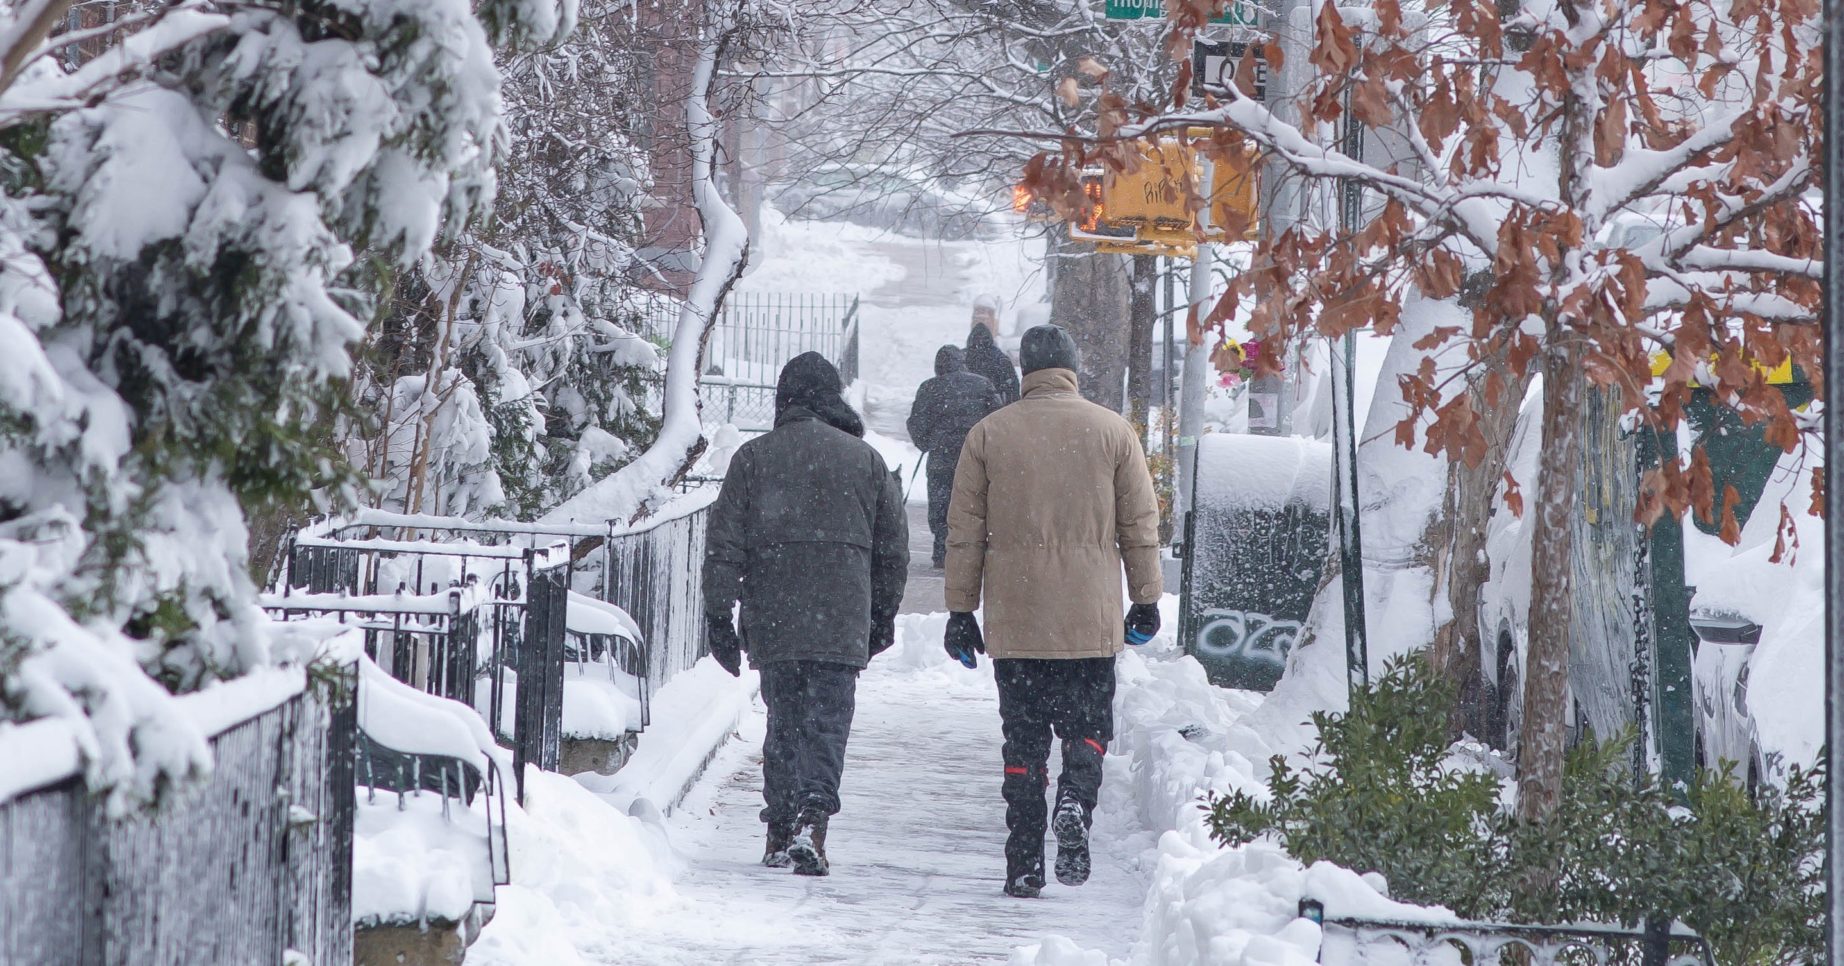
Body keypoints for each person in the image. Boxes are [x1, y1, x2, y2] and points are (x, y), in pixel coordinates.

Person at [941, 324, 1163, 899]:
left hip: (1016, 623)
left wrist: (962, 610)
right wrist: (1145, 598)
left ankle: (1023, 863)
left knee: (1023, 742)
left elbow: (963, 533)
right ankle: (1075, 801)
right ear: (1073, 369)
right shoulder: (1114, 432)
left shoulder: (989, 435)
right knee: (1088, 729)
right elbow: (1140, 526)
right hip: (1089, 620)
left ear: (1025, 372)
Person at [703, 351, 909, 877]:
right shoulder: (865, 462)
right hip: (842, 616)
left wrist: (719, 618)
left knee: (785, 722)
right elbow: (893, 551)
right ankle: (813, 820)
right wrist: (880, 615)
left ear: (784, 398)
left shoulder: (753, 458)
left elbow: (723, 546)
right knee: (827, 724)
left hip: (776, 614)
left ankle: (778, 830)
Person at [905, 345, 1001, 568]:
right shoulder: (982, 384)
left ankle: (943, 548)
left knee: (942, 504)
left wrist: (927, 443)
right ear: (962, 362)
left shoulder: (929, 387)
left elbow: (916, 423)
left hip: (942, 458)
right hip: (975, 457)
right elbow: (997, 418)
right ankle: (973, 549)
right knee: (974, 502)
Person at [965, 308, 1021, 407]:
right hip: (995, 408)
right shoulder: (1001, 359)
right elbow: (1013, 387)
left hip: (969, 408)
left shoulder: (964, 357)